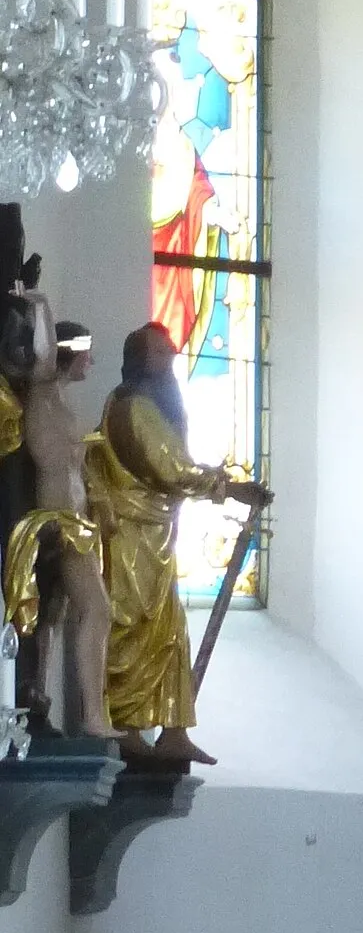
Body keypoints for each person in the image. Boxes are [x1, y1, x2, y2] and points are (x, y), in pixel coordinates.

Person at [84, 323, 268, 764]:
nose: (170, 361)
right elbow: (171, 469)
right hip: (131, 537)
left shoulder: (147, 404)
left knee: (168, 632)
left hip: (157, 535)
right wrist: (230, 487)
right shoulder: (132, 407)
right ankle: (124, 729)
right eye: (162, 354)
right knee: (132, 627)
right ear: (142, 361)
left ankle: (173, 732)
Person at [18, 301, 113, 737]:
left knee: (52, 617)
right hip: (58, 519)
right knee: (97, 609)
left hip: (72, 519)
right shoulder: (41, 388)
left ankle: (38, 700)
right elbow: (44, 351)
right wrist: (40, 303)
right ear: (68, 350)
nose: (92, 360)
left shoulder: (57, 399)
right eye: (86, 352)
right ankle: (94, 716)